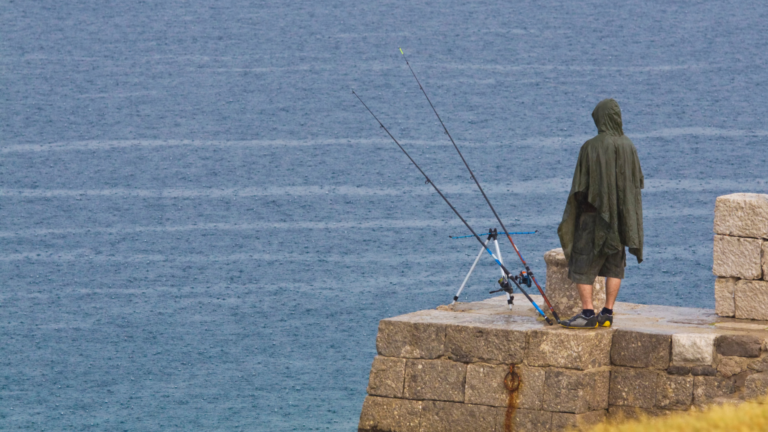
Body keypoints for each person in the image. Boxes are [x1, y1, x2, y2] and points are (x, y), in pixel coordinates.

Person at [557, 99, 644, 329]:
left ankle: (587, 313)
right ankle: (607, 312)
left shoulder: (590, 146)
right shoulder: (629, 146)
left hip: (594, 217)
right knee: (615, 264)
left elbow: (580, 186)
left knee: (581, 263)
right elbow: (637, 183)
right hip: (621, 217)